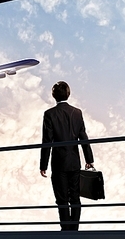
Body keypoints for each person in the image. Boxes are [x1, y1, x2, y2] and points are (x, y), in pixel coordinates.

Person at [40, 81, 94, 231]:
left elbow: (47, 141)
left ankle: (66, 230)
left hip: (59, 162)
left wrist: (43, 165)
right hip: (74, 161)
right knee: (75, 197)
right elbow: (83, 137)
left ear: (53, 95)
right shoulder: (77, 113)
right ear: (68, 94)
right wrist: (89, 159)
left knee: (62, 199)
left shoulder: (49, 114)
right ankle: (74, 230)